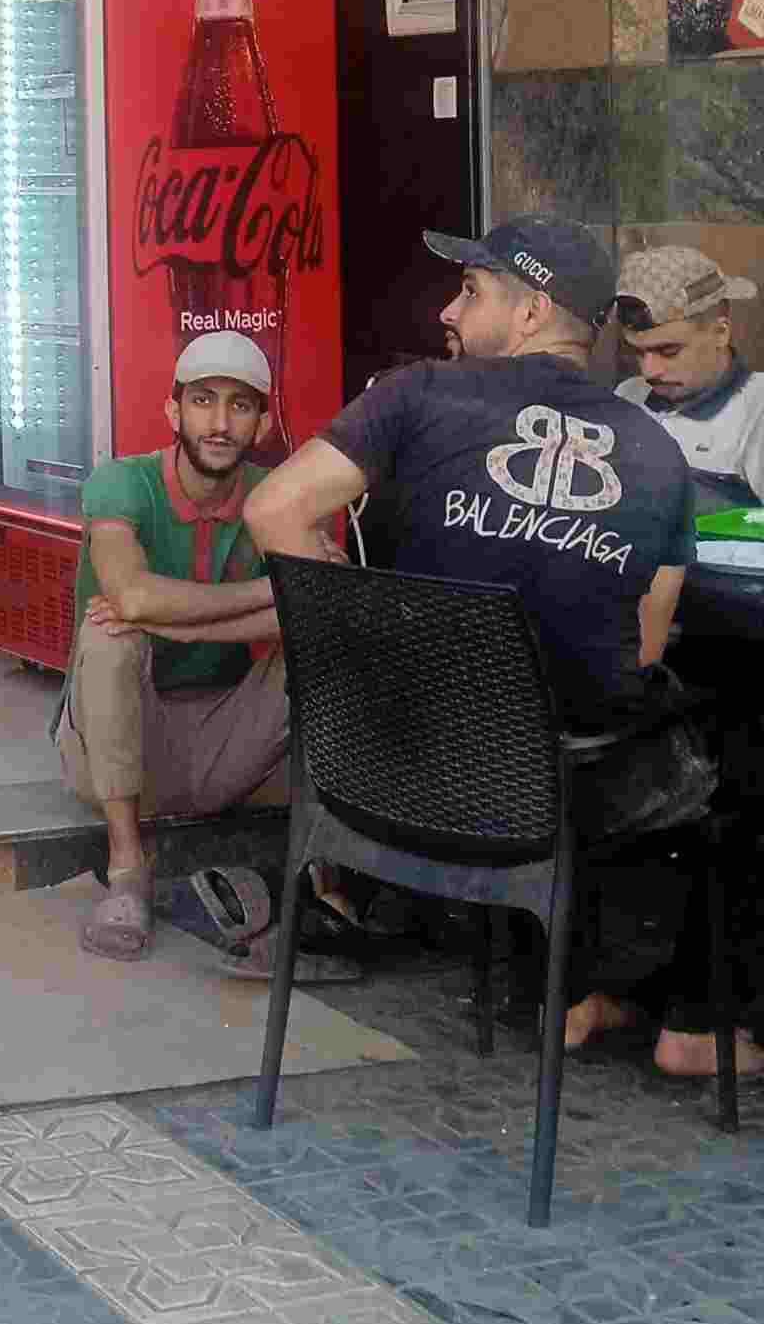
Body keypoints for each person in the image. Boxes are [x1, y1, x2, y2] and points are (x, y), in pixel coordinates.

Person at [245, 216, 740, 1076]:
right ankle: (665, 1011)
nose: (449, 308)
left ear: (532, 311)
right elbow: (646, 648)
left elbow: (272, 509)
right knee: (728, 760)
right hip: (556, 804)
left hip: (382, 780)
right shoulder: (659, 455)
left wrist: (363, 651)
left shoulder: (416, 396)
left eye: (470, 291)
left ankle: (564, 988)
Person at [57, 332, 292, 962]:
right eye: (203, 400)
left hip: (228, 750)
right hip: (116, 750)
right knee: (111, 633)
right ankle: (127, 871)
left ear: (263, 423)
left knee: (323, 645)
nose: (220, 423)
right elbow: (131, 596)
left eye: (240, 405)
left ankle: (328, 882)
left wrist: (189, 624)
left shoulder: (275, 496)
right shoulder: (122, 482)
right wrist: (269, 594)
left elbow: (317, 608)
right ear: (173, 411)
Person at [612, 246, 764, 505]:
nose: (649, 371)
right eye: (637, 352)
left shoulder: (757, 412)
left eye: (669, 351)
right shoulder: (628, 395)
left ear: (720, 332)